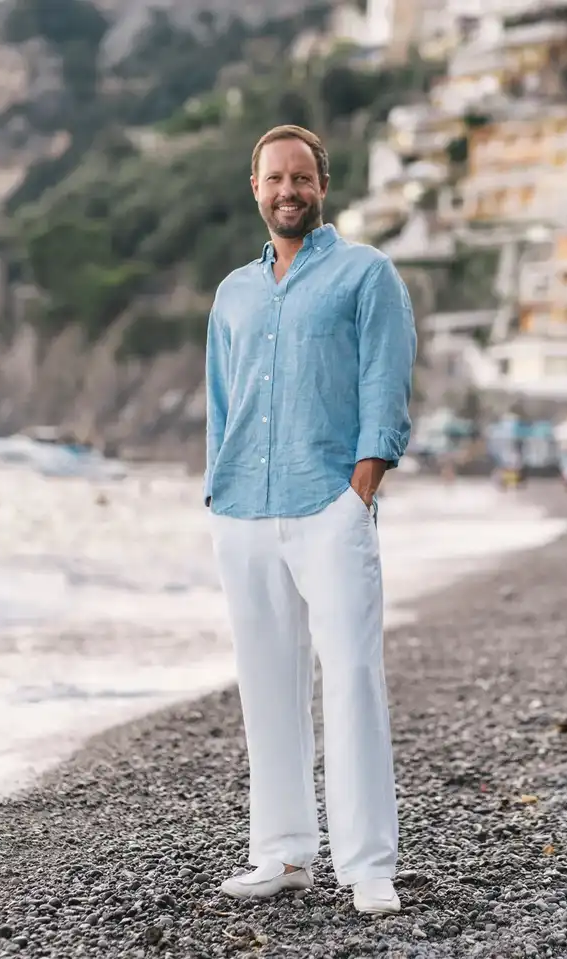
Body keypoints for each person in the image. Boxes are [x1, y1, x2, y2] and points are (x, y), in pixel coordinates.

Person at [204, 125, 417, 915]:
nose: (286, 190)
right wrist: (215, 495)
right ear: (253, 188)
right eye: (273, 178)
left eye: (301, 177)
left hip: (330, 504)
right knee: (266, 684)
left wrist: (362, 485)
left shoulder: (367, 273)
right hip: (243, 513)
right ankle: (283, 853)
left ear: (321, 184)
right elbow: (221, 406)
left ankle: (367, 863)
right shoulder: (232, 292)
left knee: (353, 677)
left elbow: (386, 382)